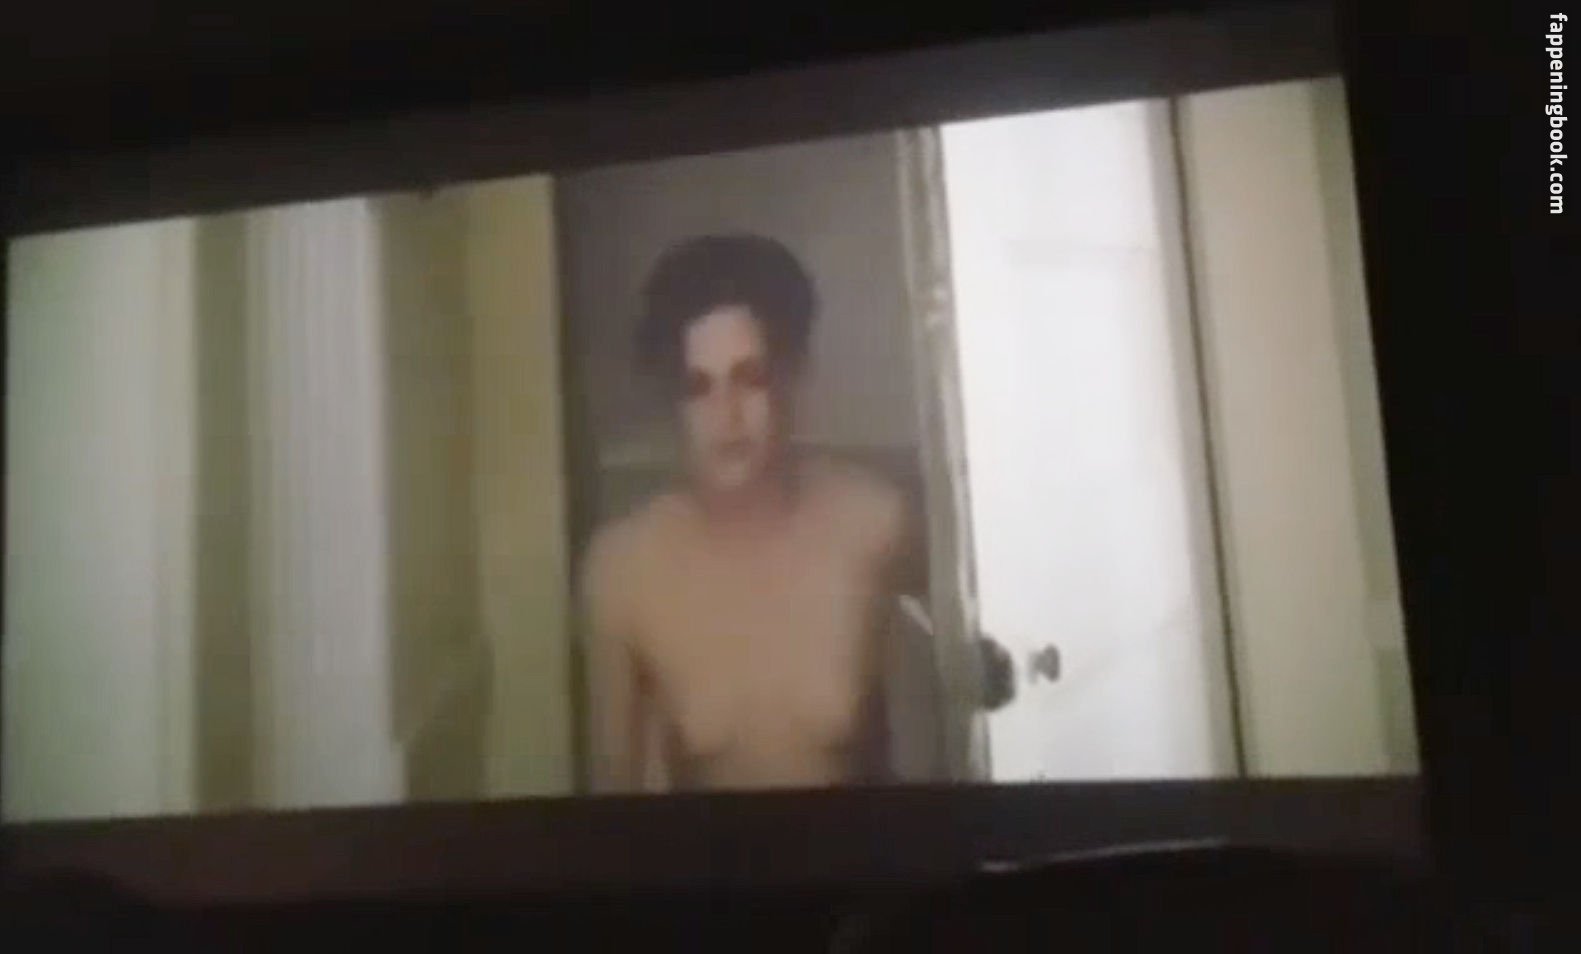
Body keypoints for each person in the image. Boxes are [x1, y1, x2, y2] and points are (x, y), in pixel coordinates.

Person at [581, 233, 979, 793]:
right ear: (673, 401)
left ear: (790, 377)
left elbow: (967, 697)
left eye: (750, 378)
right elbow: (614, 792)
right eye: (699, 387)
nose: (728, 415)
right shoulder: (623, 568)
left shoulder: (875, 522)